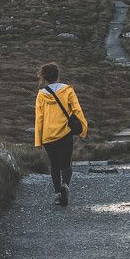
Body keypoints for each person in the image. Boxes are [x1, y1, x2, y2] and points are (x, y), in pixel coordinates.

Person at [34, 61, 88, 206]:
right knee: (66, 165)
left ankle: (58, 193)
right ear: (58, 75)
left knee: (54, 166)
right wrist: (83, 129)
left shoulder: (41, 94)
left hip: (47, 137)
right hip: (65, 133)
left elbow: (39, 118)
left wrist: (38, 141)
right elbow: (77, 111)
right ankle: (65, 185)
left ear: (45, 78)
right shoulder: (68, 90)